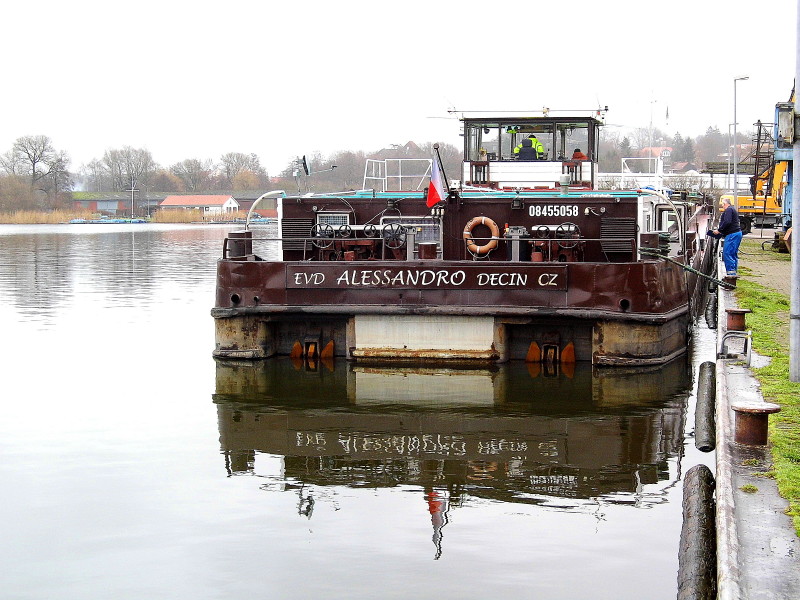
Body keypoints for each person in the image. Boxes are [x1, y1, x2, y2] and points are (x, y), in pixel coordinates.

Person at [707, 197, 742, 276]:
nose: (722, 206)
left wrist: (719, 230)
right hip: (736, 233)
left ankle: (731, 274)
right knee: (733, 253)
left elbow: (727, 221)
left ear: (725, 204)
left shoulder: (729, 210)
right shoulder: (732, 210)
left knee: (727, 253)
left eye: (722, 204)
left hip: (732, 235)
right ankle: (733, 272)